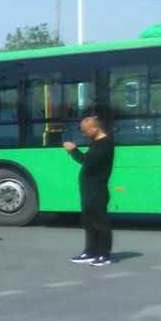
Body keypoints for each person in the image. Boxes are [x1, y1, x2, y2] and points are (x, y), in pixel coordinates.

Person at [64, 111, 115, 266]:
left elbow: (88, 161)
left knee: (100, 222)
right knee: (88, 222)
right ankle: (91, 251)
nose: (84, 134)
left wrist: (73, 150)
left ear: (95, 128)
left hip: (97, 190)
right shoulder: (96, 143)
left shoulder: (105, 143)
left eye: (86, 131)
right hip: (88, 189)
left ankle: (104, 254)